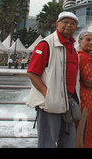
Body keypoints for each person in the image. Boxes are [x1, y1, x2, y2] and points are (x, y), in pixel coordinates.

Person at [26, 12, 81, 148]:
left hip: (69, 102)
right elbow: (32, 73)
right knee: (48, 142)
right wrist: (48, 94)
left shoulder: (73, 49)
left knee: (68, 141)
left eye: (72, 23)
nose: (69, 25)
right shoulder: (46, 44)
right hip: (50, 103)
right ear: (57, 24)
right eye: (65, 22)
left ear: (76, 28)